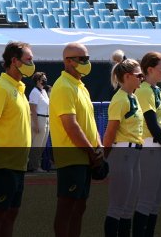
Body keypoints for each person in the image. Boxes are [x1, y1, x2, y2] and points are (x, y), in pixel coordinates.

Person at [0, 41, 33, 237]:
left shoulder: (19, 88)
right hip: (2, 164)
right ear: (14, 61)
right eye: (28, 60)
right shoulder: (0, 88)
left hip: (17, 164)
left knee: (11, 214)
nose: (32, 63)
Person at [51, 42, 102, 237]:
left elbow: (89, 122)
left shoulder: (80, 86)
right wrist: (91, 151)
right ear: (69, 61)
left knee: (79, 208)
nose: (87, 62)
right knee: (67, 208)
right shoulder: (64, 86)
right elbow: (70, 125)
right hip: (72, 157)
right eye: (83, 59)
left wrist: (97, 147)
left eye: (87, 58)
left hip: (84, 157)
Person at [103, 56, 144, 237]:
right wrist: (105, 156)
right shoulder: (120, 99)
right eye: (139, 75)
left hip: (134, 154)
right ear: (127, 76)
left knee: (128, 207)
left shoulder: (132, 97)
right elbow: (110, 132)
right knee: (117, 206)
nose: (141, 78)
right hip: (122, 153)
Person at [136, 52, 161, 237]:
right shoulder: (143, 90)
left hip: (160, 146)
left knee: (156, 198)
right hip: (151, 147)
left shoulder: (158, 90)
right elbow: (152, 124)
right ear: (149, 69)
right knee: (147, 198)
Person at [27, 72, 50, 172]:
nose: (45, 80)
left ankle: (36, 165)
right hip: (39, 119)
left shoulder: (43, 92)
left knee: (42, 144)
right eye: (43, 78)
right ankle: (34, 166)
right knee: (37, 144)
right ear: (38, 81)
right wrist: (36, 124)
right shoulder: (34, 92)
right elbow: (33, 109)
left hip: (46, 119)